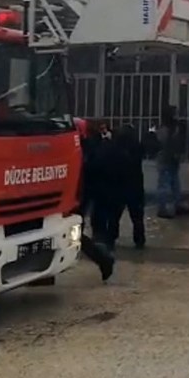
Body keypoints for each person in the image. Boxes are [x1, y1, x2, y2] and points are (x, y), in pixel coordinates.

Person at [74, 117, 116, 281]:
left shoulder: (87, 148)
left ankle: (103, 259)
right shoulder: (95, 145)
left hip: (79, 193)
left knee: (73, 231)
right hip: (83, 193)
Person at [109, 123, 147, 249]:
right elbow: (150, 147)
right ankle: (139, 240)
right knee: (137, 216)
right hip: (135, 187)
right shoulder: (137, 147)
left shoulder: (115, 148)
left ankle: (111, 237)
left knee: (114, 215)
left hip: (118, 186)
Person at [154, 105, 189, 219]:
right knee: (165, 185)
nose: (177, 115)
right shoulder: (166, 128)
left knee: (174, 184)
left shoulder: (170, 127)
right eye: (174, 113)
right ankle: (162, 208)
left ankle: (176, 205)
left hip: (170, 159)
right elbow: (166, 144)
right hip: (166, 159)